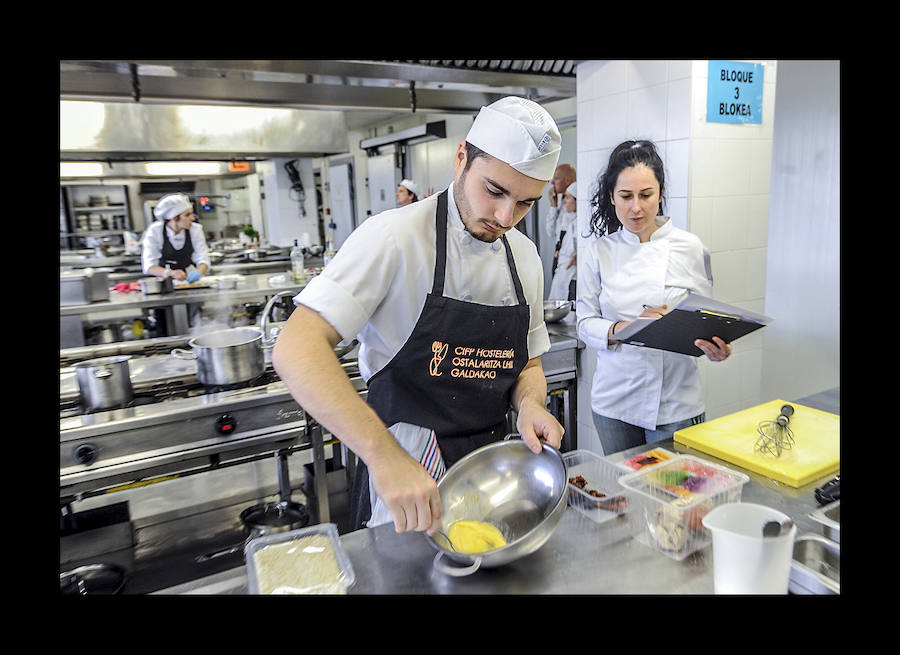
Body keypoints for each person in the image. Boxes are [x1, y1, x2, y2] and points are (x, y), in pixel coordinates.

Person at [272, 96, 565, 536]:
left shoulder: (524, 256)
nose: (506, 217)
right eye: (494, 191)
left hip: (493, 469)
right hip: (405, 468)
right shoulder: (393, 238)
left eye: (525, 203)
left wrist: (530, 404)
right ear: (461, 157)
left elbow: (529, 361)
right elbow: (296, 348)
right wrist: (383, 456)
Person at [576, 140, 731, 455]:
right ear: (611, 198)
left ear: (661, 194)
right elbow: (584, 321)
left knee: (675, 497)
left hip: (676, 403)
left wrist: (713, 347)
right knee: (623, 492)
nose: (636, 207)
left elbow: (701, 320)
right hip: (615, 401)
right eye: (626, 196)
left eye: (646, 195)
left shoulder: (691, 248)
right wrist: (625, 328)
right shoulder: (598, 253)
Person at [141, 193, 210, 282]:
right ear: (174, 218)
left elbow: (203, 258)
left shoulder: (195, 229)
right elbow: (149, 266)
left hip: (188, 279)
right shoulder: (155, 231)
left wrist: (198, 273)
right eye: (187, 215)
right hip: (164, 281)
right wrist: (171, 273)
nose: (192, 218)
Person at [547, 182, 577, 301]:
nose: (564, 201)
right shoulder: (568, 219)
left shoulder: (581, 224)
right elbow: (550, 231)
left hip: (572, 276)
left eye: (568, 197)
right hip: (562, 271)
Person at [545, 163, 576, 279]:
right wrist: (553, 205)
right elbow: (551, 232)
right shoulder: (561, 204)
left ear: (568, 180)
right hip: (558, 255)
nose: (552, 183)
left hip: (571, 259)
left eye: (556, 178)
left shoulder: (578, 203)